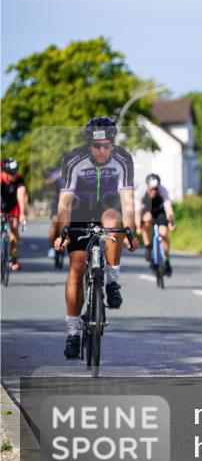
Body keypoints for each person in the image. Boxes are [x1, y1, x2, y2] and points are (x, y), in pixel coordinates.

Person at [53, 117, 137, 359]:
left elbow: (128, 202)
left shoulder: (123, 159)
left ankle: (111, 281)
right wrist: (63, 232)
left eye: (106, 146)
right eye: (96, 146)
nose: (102, 151)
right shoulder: (73, 159)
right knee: (77, 265)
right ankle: (73, 332)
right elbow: (65, 203)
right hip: (79, 210)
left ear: (113, 144)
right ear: (88, 144)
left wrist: (130, 232)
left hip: (108, 207)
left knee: (114, 220)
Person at [138, 173, 176, 275]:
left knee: (163, 233)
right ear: (148, 187)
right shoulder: (141, 191)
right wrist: (138, 226)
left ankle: (167, 259)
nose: (154, 191)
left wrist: (171, 222)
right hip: (147, 210)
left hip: (159, 212)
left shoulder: (163, 190)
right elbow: (137, 212)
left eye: (156, 189)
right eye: (152, 189)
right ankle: (147, 247)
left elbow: (168, 208)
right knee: (146, 221)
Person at [1, 158, 29, 271]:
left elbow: (21, 194)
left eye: (15, 172)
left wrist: (22, 214)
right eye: (11, 173)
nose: (14, 175)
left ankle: (13, 258)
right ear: (4, 171)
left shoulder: (19, 179)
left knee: (14, 228)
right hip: (1, 205)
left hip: (13, 207)